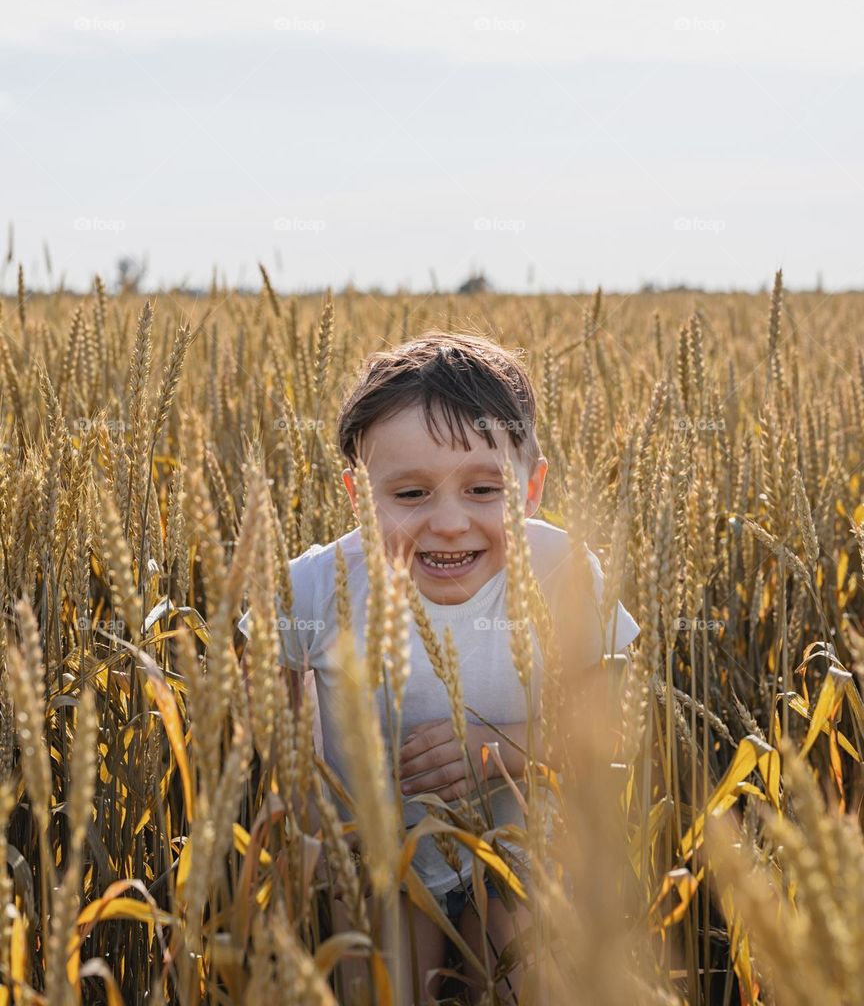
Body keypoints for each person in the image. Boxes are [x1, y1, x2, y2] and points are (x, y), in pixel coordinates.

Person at [238, 331, 640, 1003]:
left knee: (523, 970)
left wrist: (495, 746)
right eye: (411, 494)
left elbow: (606, 727)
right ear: (359, 496)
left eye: (485, 489)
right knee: (392, 979)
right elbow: (264, 705)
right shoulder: (318, 585)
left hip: (520, 851)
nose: (449, 522)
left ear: (532, 488)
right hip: (374, 858)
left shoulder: (564, 572)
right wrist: (313, 816)